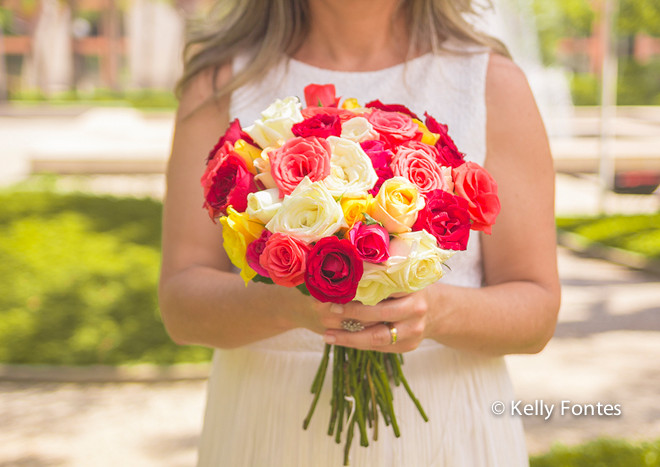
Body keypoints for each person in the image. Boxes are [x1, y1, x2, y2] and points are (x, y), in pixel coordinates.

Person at [159, 0, 561, 465]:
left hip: (443, 430)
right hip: (268, 424)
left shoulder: (492, 82)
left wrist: (433, 312)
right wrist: (285, 302)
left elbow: (537, 312)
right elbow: (180, 305)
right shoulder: (221, 82)